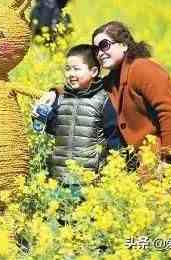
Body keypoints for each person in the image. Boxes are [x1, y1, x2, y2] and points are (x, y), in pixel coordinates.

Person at [91, 21, 171, 182]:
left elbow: (168, 112)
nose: (99, 53)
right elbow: (86, 86)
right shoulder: (114, 79)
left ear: (124, 45)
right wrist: (54, 92)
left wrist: (168, 157)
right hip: (152, 153)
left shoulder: (142, 68)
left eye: (104, 45)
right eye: (96, 49)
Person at [35, 44, 123, 189]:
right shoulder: (61, 98)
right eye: (68, 69)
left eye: (76, 69)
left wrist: (113, 171)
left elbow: (113, 137)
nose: (71, 74)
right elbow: (57, 130)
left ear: (93, 71)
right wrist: (43, 118)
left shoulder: (103, 100)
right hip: (58, 177)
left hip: (88, 179)